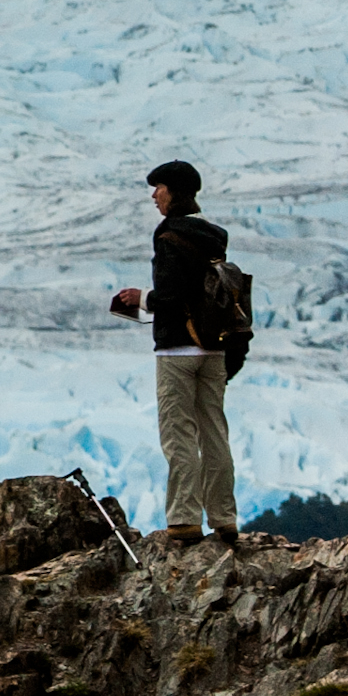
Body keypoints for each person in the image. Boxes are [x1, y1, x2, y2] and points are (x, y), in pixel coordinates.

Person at [107, 159, 237, 543]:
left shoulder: (168, 237)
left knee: (179, 433)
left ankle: (184, 519)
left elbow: (173, 294)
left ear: (174, 192)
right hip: (213, 347)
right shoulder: (214, 236)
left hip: (177, 350)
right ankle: (224, 517)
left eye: (159, 188)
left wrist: (141, 298)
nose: (154, 196)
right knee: (214, 432)